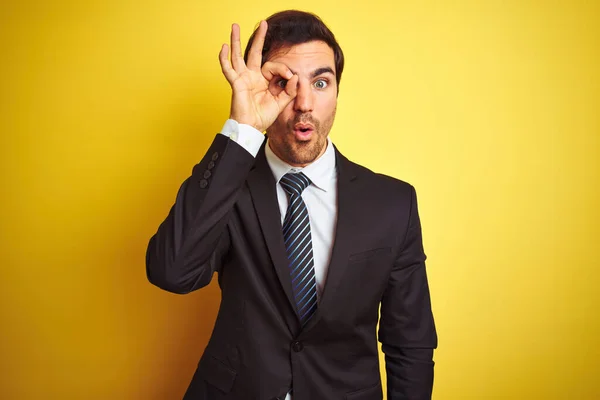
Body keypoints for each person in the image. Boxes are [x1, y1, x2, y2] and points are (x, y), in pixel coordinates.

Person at [146, 10, 437, 400]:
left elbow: (410, 343)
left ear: (337, 91)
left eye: (320, 82)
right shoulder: (229, 187)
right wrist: (243, 129)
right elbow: (172, 272)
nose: (304, 103)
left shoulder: (393, 203)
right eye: (284, 83)